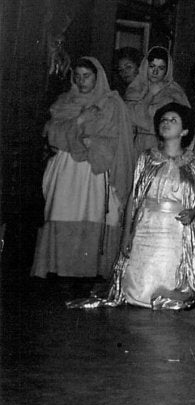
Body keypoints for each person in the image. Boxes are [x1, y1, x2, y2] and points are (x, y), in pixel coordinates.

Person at [32, 58, 135, 286]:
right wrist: (79, 120)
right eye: (77, 76)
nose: (81, 81)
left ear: (98, 77)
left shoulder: (111, 104)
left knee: (93, 213)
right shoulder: (64, 101)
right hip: (66, 169)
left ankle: (89, 271)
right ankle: (61, 268)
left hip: (95, 168)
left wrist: (92, 142)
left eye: (86, 76)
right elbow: (53, 134)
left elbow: (117, 140)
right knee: (63, 211)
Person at [100, 104, 195, 309]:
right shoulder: (147, 158)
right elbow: (134, 197)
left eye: (173, 120)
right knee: (137, 284)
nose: (166, 123)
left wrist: (194, 212)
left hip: (177, 227)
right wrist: (126, 235)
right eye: (163, 120)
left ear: (184, 131)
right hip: (146, 223)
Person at [124, 45, 190, 152]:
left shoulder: (175, 92)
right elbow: (131, 118)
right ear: (145, 66)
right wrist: (150, 95)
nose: (155, 72)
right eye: (152, 66)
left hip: (166, 145)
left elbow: (186, 122)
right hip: (137, 145)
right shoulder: (135, 89)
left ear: (167, 70)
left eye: (161, 68)